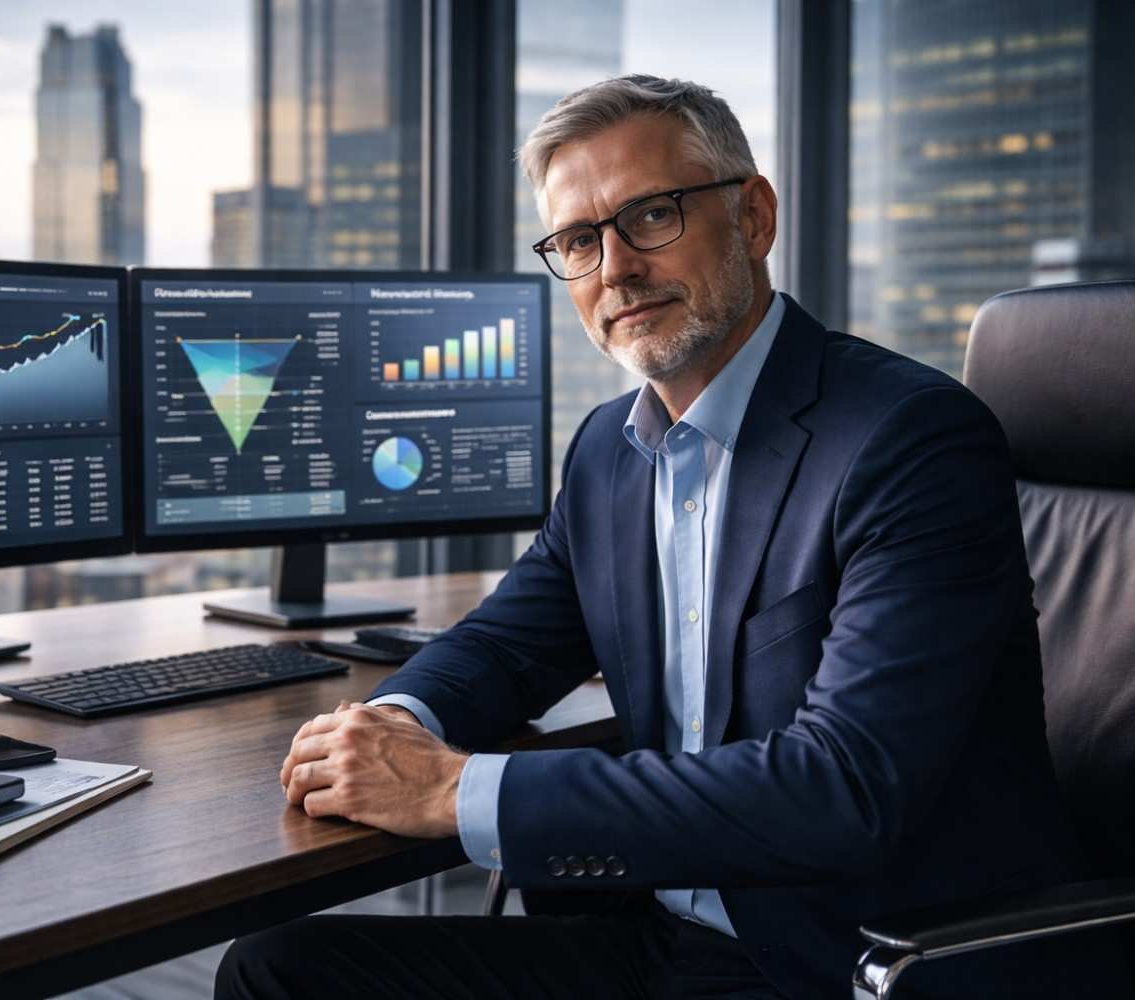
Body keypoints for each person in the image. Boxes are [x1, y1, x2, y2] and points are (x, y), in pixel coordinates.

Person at [216, 74, 1120, 999]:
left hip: (852, 958)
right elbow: (507, 642)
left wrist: (451, 791)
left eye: (651, 217)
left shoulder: (909, 437)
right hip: (655, 933)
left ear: (755, 218)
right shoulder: (610, 448)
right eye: (577, 240)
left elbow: (843, 786)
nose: (614, 268)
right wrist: (391, 729)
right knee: (278, 973)